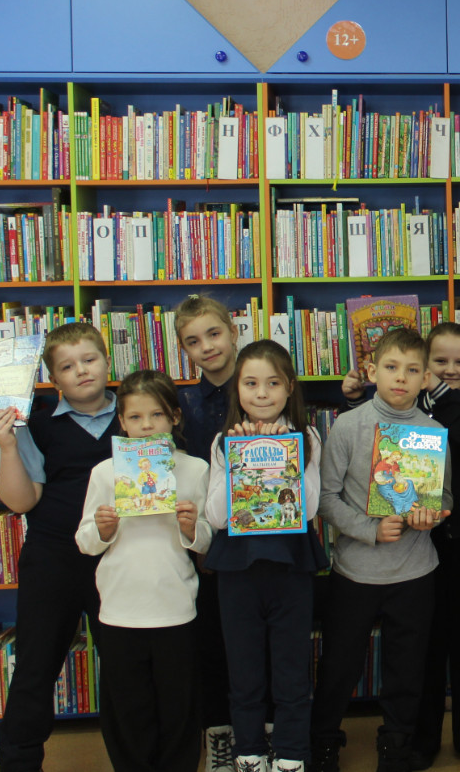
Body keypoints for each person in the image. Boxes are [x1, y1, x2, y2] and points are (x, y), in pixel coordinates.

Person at [351, 322, 460, 771]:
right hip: (420, 546)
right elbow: (369, 447)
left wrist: (437, 390)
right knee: (423, 647)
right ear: (423, 365)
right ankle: (420, 738)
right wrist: (354, 397)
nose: (450, 370)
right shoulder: (406, 410)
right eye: (439, 362)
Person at [312, 329, 452, 772]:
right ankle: (323, 742)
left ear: (426, 378)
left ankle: (396, 745)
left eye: (412, 370)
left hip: (415, 572)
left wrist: (432, 515)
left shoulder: (433, 432)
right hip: (355, 572)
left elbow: (445, 497)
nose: (400, 378)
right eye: (391, 367)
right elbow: (325, 499)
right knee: (338, 665)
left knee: (406, 669)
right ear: (372, 372)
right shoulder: (349, 426)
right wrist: (370, 530)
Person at [0, 323, 120, 772]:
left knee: (125, 668)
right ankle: (18, 761)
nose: (81, 371)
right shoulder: (37, 424)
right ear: (52, 378)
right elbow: (22, 501)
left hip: (119, 558)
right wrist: (7, 445)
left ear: (107, 361)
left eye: (89, 359)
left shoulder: (135, 413)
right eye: (67, 366)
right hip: (54, 557)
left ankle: (137, 759)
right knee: (35, 665)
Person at [76, 370, 212, 772]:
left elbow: (208, 540)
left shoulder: (195, 469)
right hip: (120, 609)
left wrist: (191, 528)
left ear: (175, 417)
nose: (147, 425)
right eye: (135, 417)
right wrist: (103, 530)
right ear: (122, 422)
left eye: (157, 415)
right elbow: (84, 541)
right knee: (128, 708)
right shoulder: (105, 473)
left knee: (178, 706)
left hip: (174, 607)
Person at [204, 340, 327, 772]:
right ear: (237, 389)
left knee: (291, 670)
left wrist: (281, 458)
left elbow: (308, 509)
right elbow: (216, 516)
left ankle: (292, 755)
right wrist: (244, 461)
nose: (262, 393)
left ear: (289, 387)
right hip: (238, 570)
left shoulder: (307, 437)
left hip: (290, 568)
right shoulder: (223, 441)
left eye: (273, 383)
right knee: (244, 671)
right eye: (251, 383)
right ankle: (249, 753)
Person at [175, 294, 244, 771]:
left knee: (260, 646)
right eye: (194, 341)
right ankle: (219, 737)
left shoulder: (262, 387)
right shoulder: (184, 406)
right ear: (185, 350)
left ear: (233, 331)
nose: (207, 347)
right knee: (213, 647)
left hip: (266, 541)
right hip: (207, 546)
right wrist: (199, 541)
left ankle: (266, 737)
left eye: (214, 334)